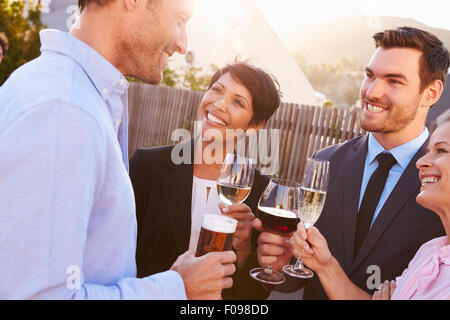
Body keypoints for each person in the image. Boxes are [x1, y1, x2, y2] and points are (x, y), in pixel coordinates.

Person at [0, 0, 237, 299]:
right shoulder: (64, 111)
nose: (182, 43)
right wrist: (177, 288)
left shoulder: (76, 96)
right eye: (179, 19)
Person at [254, 26, 449, 299]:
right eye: (370, 76)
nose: (372, 92)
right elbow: (297, 281)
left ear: (431, 92)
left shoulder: (441, 182)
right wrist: (281, 263)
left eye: (394, 81)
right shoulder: (326, 163)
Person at [129, 61, 281, 299]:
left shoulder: (261, 192)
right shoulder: (147, 166)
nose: (219, 104)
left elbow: (251, 296)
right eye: (217, 90)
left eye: (237, 102)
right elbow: (117, 259)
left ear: (254, 126)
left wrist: (243, 249)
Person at [291, 109, 450, 299]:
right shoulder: (430, 252)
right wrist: (325, 266)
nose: (420, 162)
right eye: (370, 77)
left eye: (441, 150)